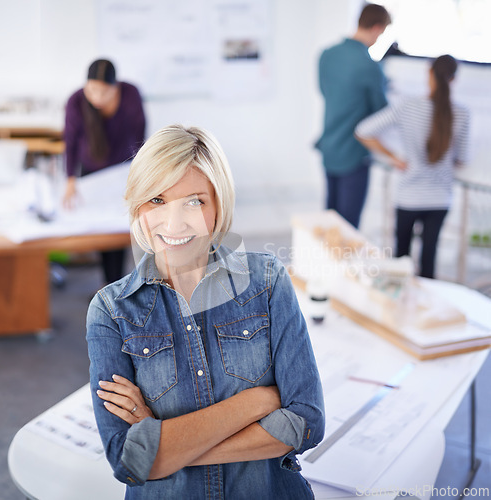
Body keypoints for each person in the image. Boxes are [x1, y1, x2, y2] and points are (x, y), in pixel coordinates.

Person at [86, 124, 325, 499]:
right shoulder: (111, 310)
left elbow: (306, 423)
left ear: (218, 204)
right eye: (158, 200)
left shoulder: (266, 281)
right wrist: (257, 401)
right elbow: (128, 460)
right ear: (137, 205)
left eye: (195, 201)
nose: (174, 223)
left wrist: (166, 449)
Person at [355, 55, 470, 279]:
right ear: (454, 79)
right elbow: (462, 158)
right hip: (440, 198)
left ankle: (400, 307)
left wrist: (394, 157)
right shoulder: (462, 114)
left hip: (408, 197)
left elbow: (363, 130)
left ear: (429, 74)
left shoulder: (408, 106)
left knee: (401, 260)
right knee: (429, 260)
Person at [63, 59, 146, 284]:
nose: (98, 97)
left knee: (118, 229)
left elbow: (141, 135)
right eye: (92, 91)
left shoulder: (130, 95)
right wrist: (70, 179)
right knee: (99, 229)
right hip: (91, 173)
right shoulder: (75, 101)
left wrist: (141, 173)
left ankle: (114, 283)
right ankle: (108, 284)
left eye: (104, 92)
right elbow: (69, 142)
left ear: (115, 86)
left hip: (122, 172)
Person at [315, 3, 391, 228]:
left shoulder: (327, 55)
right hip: (353, 152)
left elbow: (324, 90)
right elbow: (381, 111)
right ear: (377, 28)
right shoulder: (370, 66)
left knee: (329, 220)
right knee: (348, 228)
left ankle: (324, 263)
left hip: (330, 146)